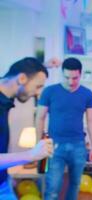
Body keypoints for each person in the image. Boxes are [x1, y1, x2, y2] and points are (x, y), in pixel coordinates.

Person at [36, 57, 92, 200]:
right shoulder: (49, 92)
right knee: (52, 188)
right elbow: (40, 118)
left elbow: (91, 120)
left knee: (75, 185)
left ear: (80, 74)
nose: (71, 82)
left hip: (79, 146)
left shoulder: (87, 94)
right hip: (55, 146)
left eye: (75, 78)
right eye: (67, 77)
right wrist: (38, 143)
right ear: (62, 74)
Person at [0, 57, 54, 200]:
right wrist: (30, 155)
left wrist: (42, 67)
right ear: (22, 78)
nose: (38, 93)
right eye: (38, 86)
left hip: (2, 183)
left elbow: (21, 74)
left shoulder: (6, 95)